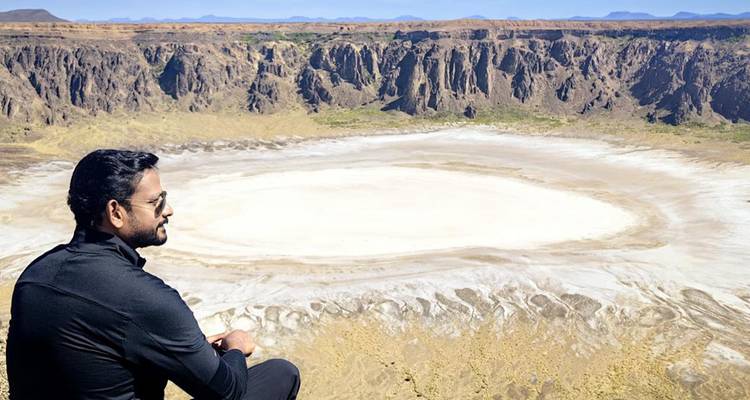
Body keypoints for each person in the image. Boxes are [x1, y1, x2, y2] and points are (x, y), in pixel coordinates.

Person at [6, 149, 300, 399]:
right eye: (155, 202)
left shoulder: (35, 275)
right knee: (280, 373)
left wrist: (178, 345)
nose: (168, 210)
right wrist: (236, 348)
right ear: (116, 212)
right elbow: (228, 392)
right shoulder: (144, 298)